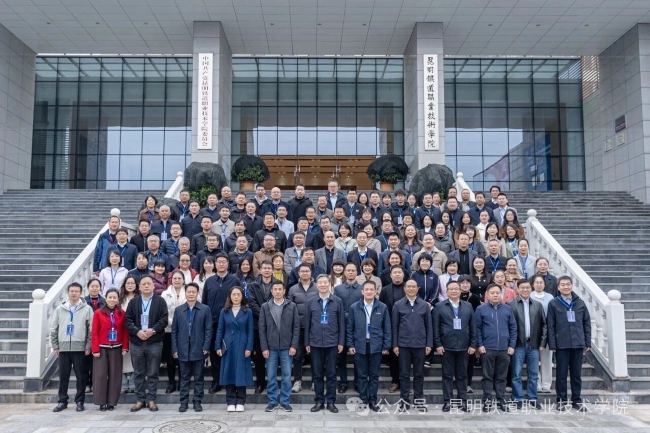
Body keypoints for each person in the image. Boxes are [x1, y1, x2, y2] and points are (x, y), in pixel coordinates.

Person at [124, 274, 169, 413]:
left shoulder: (160, 301)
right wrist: (137, 332)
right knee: (138, 372)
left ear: (154, 286)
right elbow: (128, 320)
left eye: (149, 283)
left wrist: (153, 330)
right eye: (143, 284)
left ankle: (151, 399)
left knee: (153, 372)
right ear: (139, 287)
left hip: (154, 341)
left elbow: (164, 320)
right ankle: (140, 399)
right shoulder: (133, 302)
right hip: (137, 342)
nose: (146, 286)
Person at [547, 276, 591, 412]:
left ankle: (576, 400)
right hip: (561, 344)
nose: (566, 287)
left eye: (568, 284)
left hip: (578, 343)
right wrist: (553, 344)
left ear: (572, 286)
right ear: (558, 287)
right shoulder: (554, 303)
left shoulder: (580, 303)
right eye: (563, 285)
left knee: (576, 375)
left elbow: (586, 323)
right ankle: (561, 400)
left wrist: (587, 341)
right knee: (561, 374)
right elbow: (550, 325)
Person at [346, 281, 391, 411]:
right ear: (362, 291)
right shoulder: (354, 307)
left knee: (374, 376)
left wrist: (386, 346)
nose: (369, 292)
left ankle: (373, 401)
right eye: (367, 289)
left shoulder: (382, 307)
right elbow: (350, 328)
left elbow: (387, 328)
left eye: (372, 289)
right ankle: (363, 400)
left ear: (376, 292)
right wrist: (350, 344)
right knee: (361, 376)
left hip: (376, 346)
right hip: (360, 345)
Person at [433, 280, 476, 412]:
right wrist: (438, 344)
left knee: (462, 376)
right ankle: (448, 402)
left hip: (464, 346)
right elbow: (436, 327)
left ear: (460, 291)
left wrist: (473, 344)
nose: (454, 291)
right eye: (451, 289)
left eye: (456, 289)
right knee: (447, 376)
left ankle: (462, 402)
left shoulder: (468, 306)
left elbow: (473, 326)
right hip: (447, 347)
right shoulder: (440, 306)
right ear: (446, 291)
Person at [305, 274, 345, 413]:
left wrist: (341, 342)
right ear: (317, 285)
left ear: (329, 284)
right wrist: (307, 342)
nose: (322, 285)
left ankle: (331, 402)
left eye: (325, 282)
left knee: (331, 374)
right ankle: (319, 401)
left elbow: (341, 323)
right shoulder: (311, 301)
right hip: (315, 343)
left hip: (332, 343)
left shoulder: (337, 301)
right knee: (317, 374)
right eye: (320, 283)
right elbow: (307, 324)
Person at [259, 281, 301, 412]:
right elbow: (262, 329)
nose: (277, 291)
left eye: (280, 289)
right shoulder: (265, 306)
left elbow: (296, 327)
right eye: (275, 289)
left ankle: (284, 401)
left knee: (286, 376)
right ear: (271, 291)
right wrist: (264, 347)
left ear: (284, 291)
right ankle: (272, 401)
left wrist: (294, 345)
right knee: (271, 376)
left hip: (287, 347)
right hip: (270, 347)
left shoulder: (291, 306)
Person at [51, 282, 93, 413]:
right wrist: (55, 345)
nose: (74, 293)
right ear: (67, 293)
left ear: (81, 293)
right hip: (63, 348)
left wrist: (88, 346)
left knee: (81, 376)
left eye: (76, 291)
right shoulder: (60, 309)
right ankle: (62, 401)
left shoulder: (87, 309)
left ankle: (80, 401)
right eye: (71, 291)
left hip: (79, 348)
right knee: (63, 376)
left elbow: (90, 330)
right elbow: (54, 328)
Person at [475, 284, 517, 412]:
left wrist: (512, 345)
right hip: (487, 348)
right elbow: (477, 328)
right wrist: (480, 345)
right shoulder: (481, 309)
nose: (495, 295)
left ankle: (501, 400)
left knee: (501, 377)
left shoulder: (507, 309)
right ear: (487, 294)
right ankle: (487, 401)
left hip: (504, 349)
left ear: (501, 294)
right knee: (487, 376)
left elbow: (513, 328)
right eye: (492, 293)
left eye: (497, 293)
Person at [392, 279, 433, 412]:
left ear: (417, 289)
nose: (411, 289)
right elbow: (394, 326)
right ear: (404, 289)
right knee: (404, 374)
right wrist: (395, 344)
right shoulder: (398, 305)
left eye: (413, 287)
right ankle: (404, 401)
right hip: (403, 345)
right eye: (408, 286)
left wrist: (429, 343)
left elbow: (429, 326)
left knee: (419, 374)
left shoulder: (424, 305)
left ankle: (418, 401)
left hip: (420, 345)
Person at [172, 282, 212, 413]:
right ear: (185, 293)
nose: (191, 294)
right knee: (184, 377)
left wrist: (206, 346)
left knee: (198, 377)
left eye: (193, 292)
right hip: (183, 348)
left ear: (198, 293)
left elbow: (208, 329)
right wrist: (175, 348)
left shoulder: (205, 309)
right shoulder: (179, 310)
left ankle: (197, 401)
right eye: (188, 292)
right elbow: (174, 331)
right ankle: (183, 402)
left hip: (199, 347)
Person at [202, 253, 240, 394]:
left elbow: (239, 300)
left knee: (231, 352)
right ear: (215, 264)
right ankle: (217, 381)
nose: (222, 264)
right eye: (219, 262)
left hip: (230, 322)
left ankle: (231, 381)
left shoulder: (234, 280)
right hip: (213, 322)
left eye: (224, 262)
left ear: (228, 264)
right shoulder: (209, 281)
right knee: (215, 353)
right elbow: (205, 303)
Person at [507, 279, 547, 409]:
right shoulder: (510, 304)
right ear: (517, 289)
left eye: (527, 287)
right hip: (518, 344)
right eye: (522, 287)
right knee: (516, 373)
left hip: (533, 344)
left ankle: (532, 398)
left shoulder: (537, 305)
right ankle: (517, 398)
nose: (525, 290)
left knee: (533, 374)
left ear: (531, 289)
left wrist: (542, 342)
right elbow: (507, 325)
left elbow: (544, 325)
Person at [215, 286, 254, 412]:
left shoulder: (247, 311)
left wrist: (249, 347)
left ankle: (241, 401)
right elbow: (220, 329)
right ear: (230, 296)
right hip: (228, 345)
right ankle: (230, 401)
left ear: (242, 296)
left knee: (241, 372)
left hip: (242, 344)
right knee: (229, 371)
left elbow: (250, 331)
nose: (236, 297)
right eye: (234, 295)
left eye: (238, 294)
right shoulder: (224, 311)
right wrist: (218, 346)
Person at [91, 288, 129, 411]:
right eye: (110, 297)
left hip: (116, 348)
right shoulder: (98, 313)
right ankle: (101, 402)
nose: (112, 300)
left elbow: (125, 331)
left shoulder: (122, 313)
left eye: (114, 297)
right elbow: (94, 332)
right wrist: (95, 349)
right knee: (100, 375)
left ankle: (112, 402)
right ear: (106, 298)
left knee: (115, 375)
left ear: (118, 299)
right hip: (101, 348)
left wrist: (125, 347)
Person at [287, 263, 319, 393]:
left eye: (307, 271)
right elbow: (289, 308)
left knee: (315, 356)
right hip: (298, 327)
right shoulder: (293, 289)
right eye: (302, 271)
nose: (305, 273)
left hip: (314, 327)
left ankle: (315, 381)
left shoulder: (317, 287)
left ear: (311, 273)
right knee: (298, 355)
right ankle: (297, 381)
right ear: (298, 273)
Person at [247, 261, 277, 394]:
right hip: (257, 324)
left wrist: (269, 316)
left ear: (272, 270)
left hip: (275, 323)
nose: (266, 270)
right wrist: (264, 314)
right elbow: (251, 302)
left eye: (269, 268)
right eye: (264, 268)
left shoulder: (277, 284)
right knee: (259, 356)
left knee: (273, 355)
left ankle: (272, 383)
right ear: (260, 270)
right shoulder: (253, 285)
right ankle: (260, 383)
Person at [333, 263, 362, 393]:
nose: (350, 272)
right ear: (344, 273)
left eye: (353, 270)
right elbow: (336, 308)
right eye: (348, 270)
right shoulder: (338, 289)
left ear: (357, 272)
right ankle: (343, 382)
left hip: (358, 327)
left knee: (358, 358)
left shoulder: (362, 288)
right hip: (342, 327)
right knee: (341, 357)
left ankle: (358, 382)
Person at [378, 265, 406, 393]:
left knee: (405, 358)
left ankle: (405, 382)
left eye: (399, 272)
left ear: (403, 274)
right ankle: (395, 381)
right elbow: (381, 308)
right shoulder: (385, 290)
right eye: (395, 273)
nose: (397, 275)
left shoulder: (409, 288)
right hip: (390, 326)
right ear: (390, 275)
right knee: (393, 357)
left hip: (406, 327)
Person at [161, 270, 186, 394]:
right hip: (169, 330)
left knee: (182, 358)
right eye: (174, 278)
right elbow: (163, 311)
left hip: (184, 330)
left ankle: (182, 382)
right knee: (170, 359)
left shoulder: (188, 291)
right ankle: (171, 383)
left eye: (179, 278)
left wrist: (180, 324)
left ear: (183, 280)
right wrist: (173, 322)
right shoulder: (165, 294)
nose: (177, 280)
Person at [530, 274, 555, 394]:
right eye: (537, 282)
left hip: (547, 331)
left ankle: (546, 384)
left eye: (541, 282)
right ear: (532, 284)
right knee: (534, 359)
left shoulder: (550, 297)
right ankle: (536, 383)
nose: (539, 285)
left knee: (546, 359)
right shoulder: (529, 296)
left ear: (545, 284)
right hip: (533, 331)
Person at [458, 275, 481, 393]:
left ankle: (468, 384)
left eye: (467, 283)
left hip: (470, 330)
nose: (465, 285)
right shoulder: (455, 296)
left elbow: (477, 315)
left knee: (469, 360)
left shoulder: (475, 298)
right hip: (456, 332)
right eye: (462, 283)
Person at [83, 278, 104, 393]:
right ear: (88, 288)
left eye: (97, 286)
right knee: (86, 361)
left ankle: (94, 382)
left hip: (100, 335)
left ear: (100, 288)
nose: (94, 289)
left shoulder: (105, 301)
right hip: (86, 334)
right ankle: (87, 383)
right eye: (92, 286)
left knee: (97, 361)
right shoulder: (83, 302)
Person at [119, 276, 138, 394]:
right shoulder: (120, 298)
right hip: (122, 331)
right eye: (128, 283)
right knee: (123, 356)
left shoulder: (139, 298)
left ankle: (132, 381)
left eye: (132, 283)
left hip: (136, 331)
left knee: (134, 357)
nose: (130, 285)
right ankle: (124, 382)